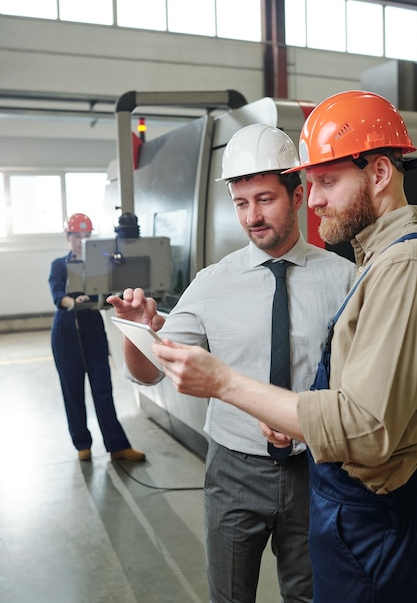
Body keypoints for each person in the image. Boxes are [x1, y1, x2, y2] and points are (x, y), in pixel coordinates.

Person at [149, 91, 417, 603]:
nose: (315, 200)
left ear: (379, 174)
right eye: (240, 202)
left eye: (326, 182)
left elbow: (367, 424)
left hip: (345, 486)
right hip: (257, 469)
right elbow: (150, 367)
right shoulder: (371, 261)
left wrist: (227, 383)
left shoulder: (376, 269)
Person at [107, 124, 355, 603]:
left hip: (317, 471)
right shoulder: (211, 283)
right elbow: (150, 372)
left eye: (265, 199)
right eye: (241, 204)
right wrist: (138, 333)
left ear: (298, 196)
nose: (252, 217)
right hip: (234, 472)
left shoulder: (345, 279)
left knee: (310, 594)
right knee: (230, 594)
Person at [48, 212, 145, 463]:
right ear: (68, 236)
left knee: (103, 389)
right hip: (67, 333)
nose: (81, 240)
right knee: (73, 390)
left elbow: (110, 287)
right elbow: (58, 296)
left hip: (93, 330)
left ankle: (117, 445)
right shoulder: (59, 265)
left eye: (86, 236)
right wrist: (74, 301)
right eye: (77, 236)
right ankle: (82, 444)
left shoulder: (100, 262)